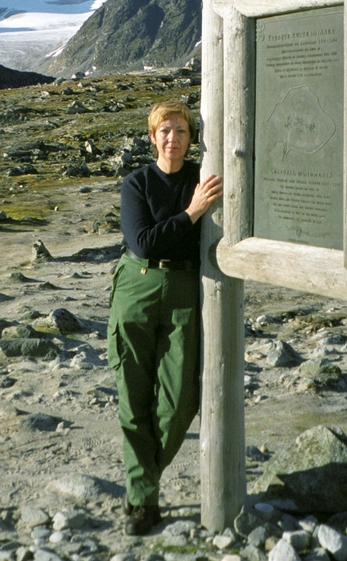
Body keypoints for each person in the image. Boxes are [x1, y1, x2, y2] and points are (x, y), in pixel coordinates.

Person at [108, 100, 223, 536]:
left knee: (179, 403)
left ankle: (143, 478)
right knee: (134, 396)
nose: (172, 138)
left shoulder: (201, 178)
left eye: (181, 131)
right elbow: (142, 241)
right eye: (165, 131)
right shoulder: (136, 183)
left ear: (191, 139)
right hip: (136, 288)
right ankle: (142, 502)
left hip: (183, 290)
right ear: (152, 137)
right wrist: (192, 212)